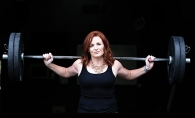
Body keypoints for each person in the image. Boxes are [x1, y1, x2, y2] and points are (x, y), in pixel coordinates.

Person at [42, 30, 156, 113]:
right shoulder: (80, 64)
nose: (95, 48)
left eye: (98, 44)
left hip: (110, 111)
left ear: (104, 46)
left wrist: (146, 67)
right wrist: (50, 64)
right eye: (91, 45)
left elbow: (130, 75)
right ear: (88, 49)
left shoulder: (114, 64)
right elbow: (66, 72)